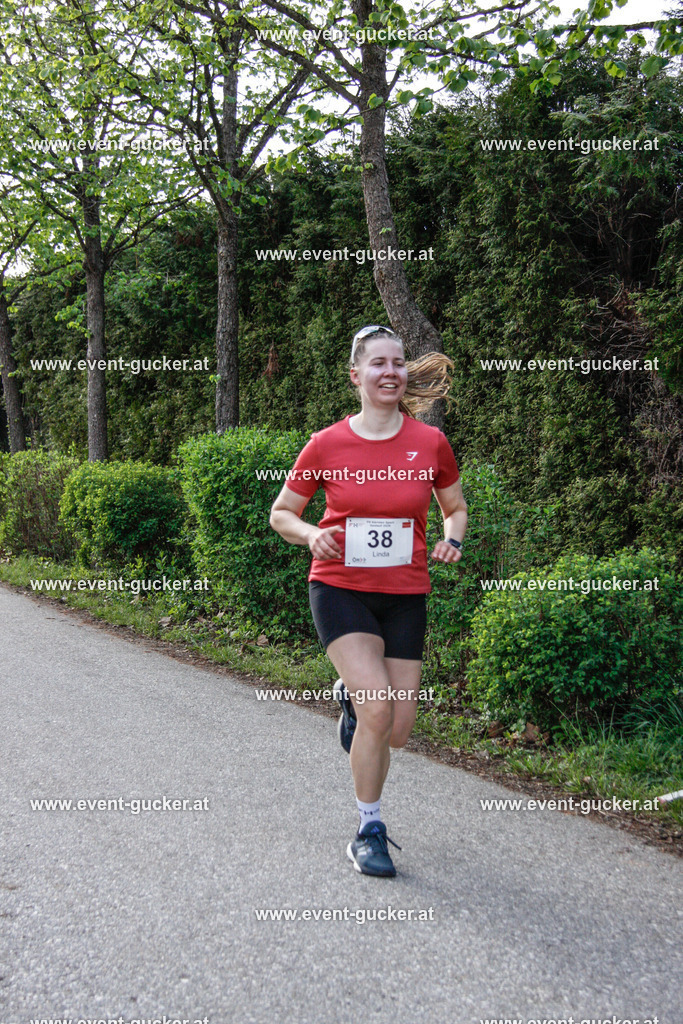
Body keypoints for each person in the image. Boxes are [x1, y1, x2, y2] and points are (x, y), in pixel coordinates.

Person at [269, 325, 467, 877]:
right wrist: (311, 535)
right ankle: (369, 829)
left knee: (398, 731)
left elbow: (453, 506)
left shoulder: (430, 443)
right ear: (356, 375)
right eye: (378, 364)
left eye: (399, 363)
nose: (391, 373)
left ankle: (353, 701)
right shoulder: (327, 443)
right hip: (339, 588)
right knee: (380, 709)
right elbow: (281, 513)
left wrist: (453, 538)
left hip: (405, 595)